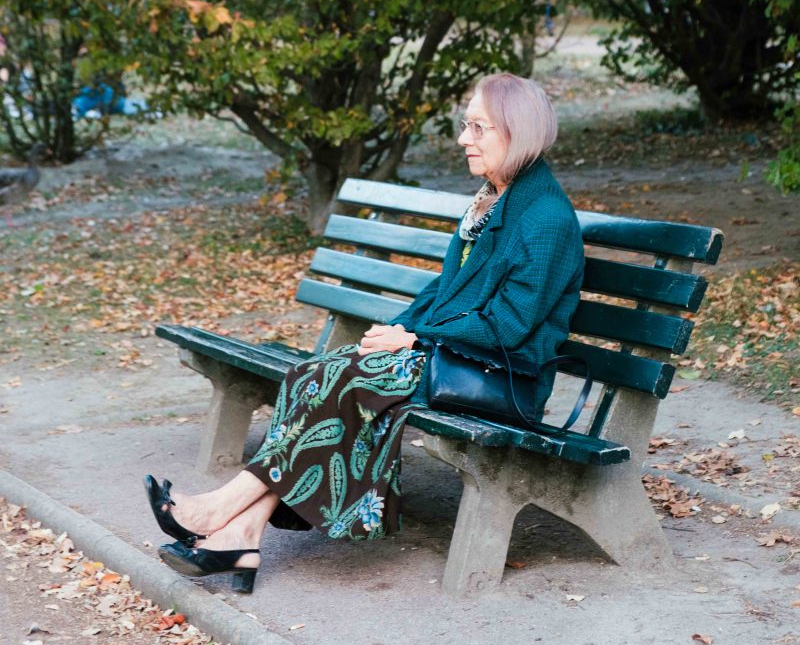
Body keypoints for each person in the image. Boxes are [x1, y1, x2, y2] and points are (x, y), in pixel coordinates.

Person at [144, 73, 584, 592]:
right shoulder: (495, 200)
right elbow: (445, 292)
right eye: (466, 124)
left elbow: (509, 327)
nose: (464, 138)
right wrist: (402, 327)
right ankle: (240, 533)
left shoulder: (546, 218)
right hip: (459, 359)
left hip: (502, 378)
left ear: (518, 132)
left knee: (347, 379)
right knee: (317, 373)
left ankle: (221, 508)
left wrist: (415, 340)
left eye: (478, 127)